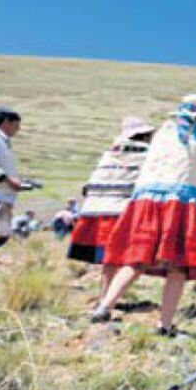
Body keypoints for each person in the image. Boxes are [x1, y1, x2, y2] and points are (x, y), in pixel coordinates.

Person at [88, 95, 196, 337]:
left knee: (136, 260)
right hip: (180, 206)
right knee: (178, 267)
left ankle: (104, 306)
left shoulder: (163, 137)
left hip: (147, 204)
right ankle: (164, 325)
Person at [67, 116, 156, 299]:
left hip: (98, 210)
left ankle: (105, 296)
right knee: (135, 260)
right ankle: (109, 302)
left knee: (110, 259)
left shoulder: (109, 154)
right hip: (127, 212)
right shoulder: (147, 155)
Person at [0, 106, 32, 270]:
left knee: (2, 235)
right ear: (6, 122)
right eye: (16, 124)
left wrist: (17, 181)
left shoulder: (1, 140)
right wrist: (10, 181)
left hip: (1, 197)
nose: (18, 129)